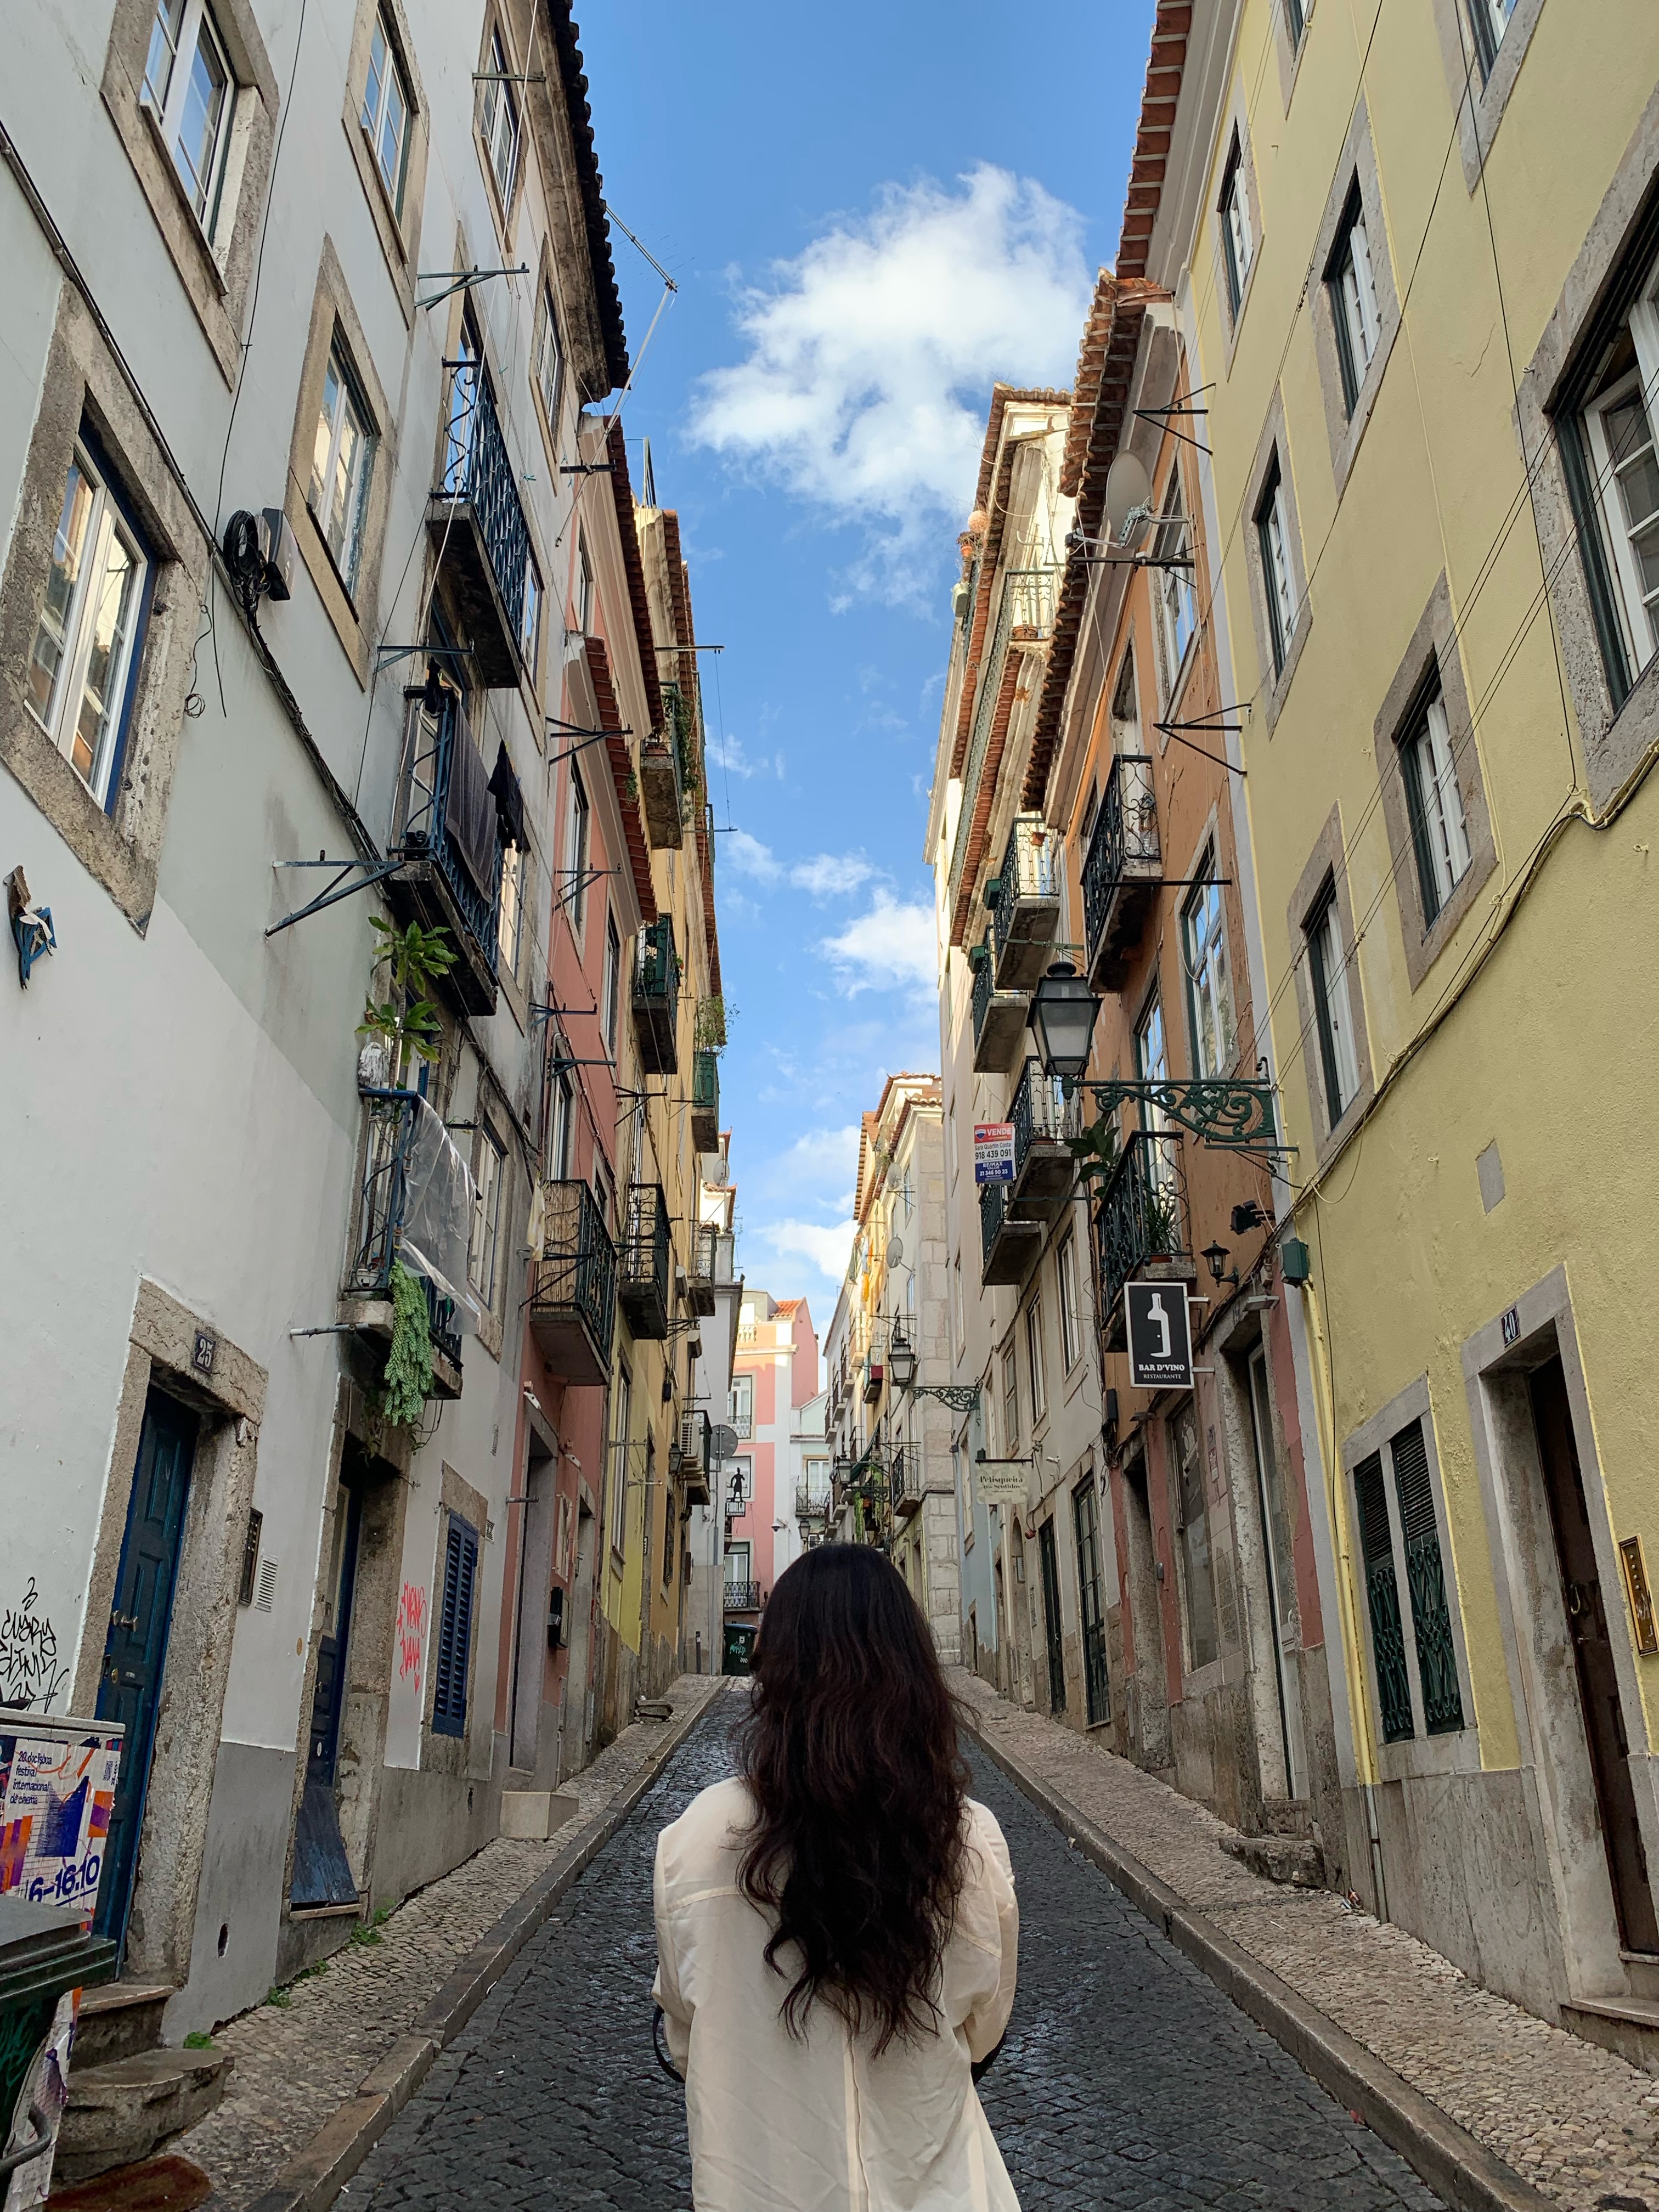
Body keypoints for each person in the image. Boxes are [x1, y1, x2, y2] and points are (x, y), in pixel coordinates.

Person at [652, 1545, 1021, 2211]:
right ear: (912, 1674)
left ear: (774, 1674)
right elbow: (981, 2030)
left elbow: (686, 2036)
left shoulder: (696, 1840)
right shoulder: (964, 1840)